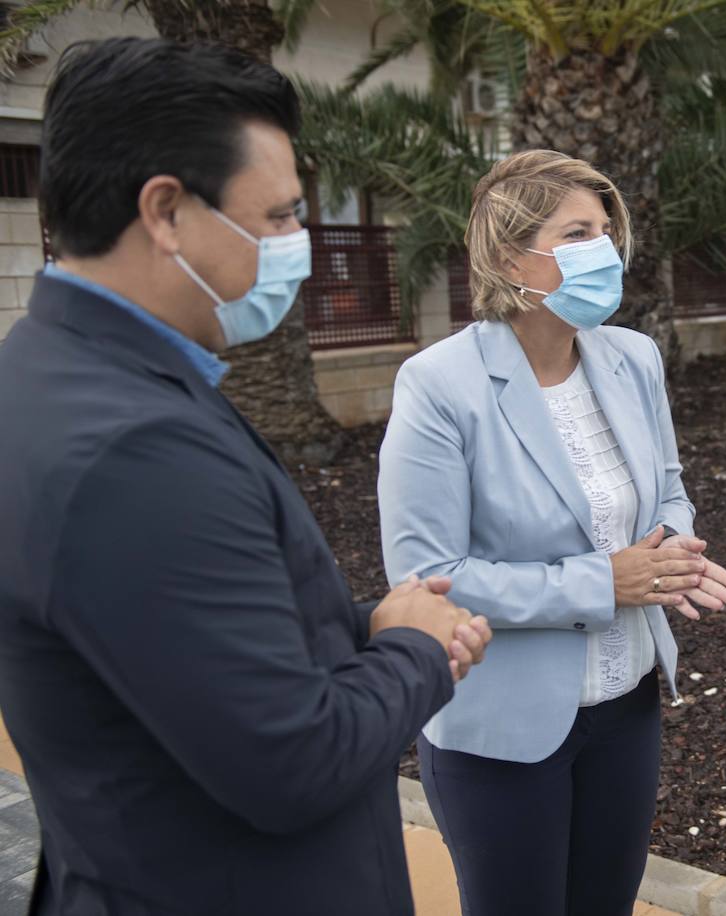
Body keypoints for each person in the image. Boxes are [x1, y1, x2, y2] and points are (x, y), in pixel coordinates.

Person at [0, 38, 492, 915]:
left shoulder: (51, 372)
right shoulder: (135, 450)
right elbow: (293, 763)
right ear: (166, 212)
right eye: (280, 216)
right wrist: (414, 649)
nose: (298, 246)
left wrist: (360, 624)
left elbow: (182, 648)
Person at [377, 149, 726, 915]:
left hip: (627, 706)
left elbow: (668, 489)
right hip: (501, 730)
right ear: (510, 255)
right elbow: (428, 579)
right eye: (578, 233)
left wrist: (673, 553)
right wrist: (603, 583)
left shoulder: (634, 358)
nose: (604, 251)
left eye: (606, 231)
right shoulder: (440, 386)